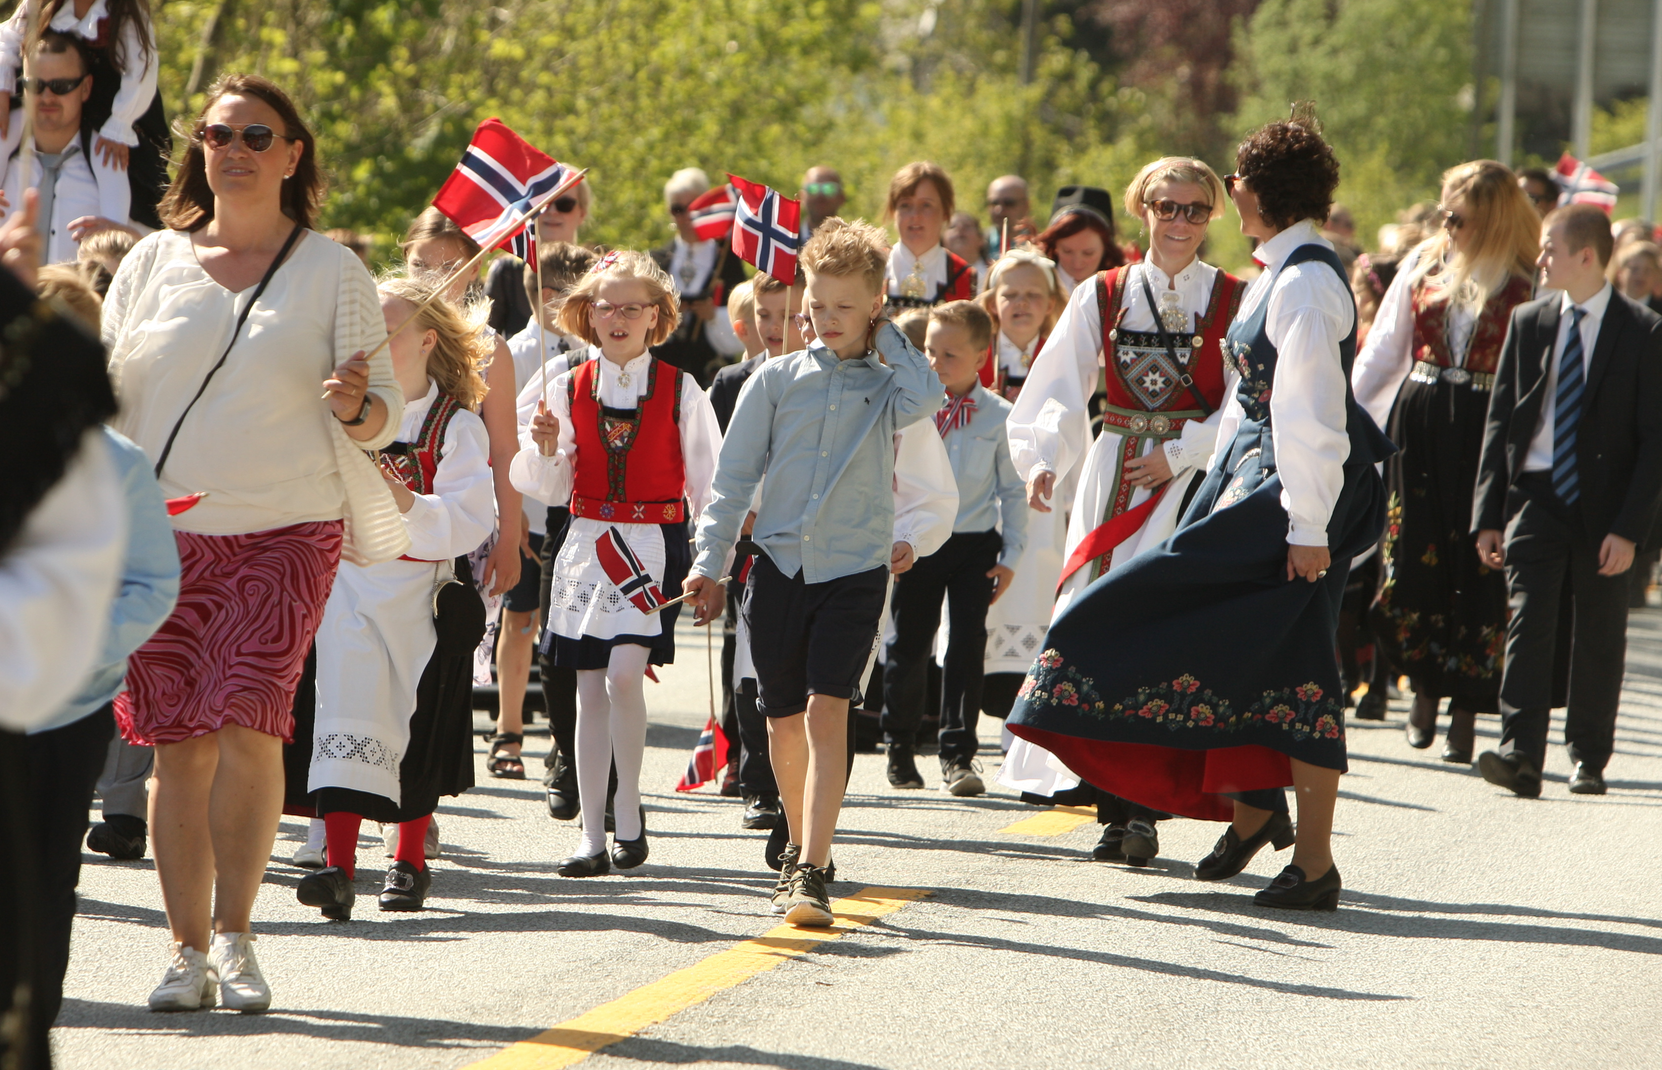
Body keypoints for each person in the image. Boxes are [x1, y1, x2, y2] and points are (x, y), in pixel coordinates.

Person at [1006, 116, 1394, 910]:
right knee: (1256, 656)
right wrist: (1048, 457)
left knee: (1262, 656)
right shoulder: (1273, 275)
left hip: (1283, 495)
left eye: (1219, 194)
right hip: (1247, 485)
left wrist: (1306, 527)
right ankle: (1255, 813)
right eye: (1169, 206)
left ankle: (1307, 857)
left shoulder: (1299, 284)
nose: (1202, 211)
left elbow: (1310, 419)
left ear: (1256, 194)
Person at [104, 74, 404, 1011]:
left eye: (256, 135)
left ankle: (237, 939)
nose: (233, 149)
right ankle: (186, 951)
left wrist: (354, 408)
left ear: (292, 154)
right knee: (179, 745)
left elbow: (384, 416)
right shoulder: (150, 261)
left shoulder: (333, 271)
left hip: (286, 530)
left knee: (247, 722)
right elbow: (102, 394)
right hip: (160, 534)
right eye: (216, 133)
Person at [684, 217, 941, 926]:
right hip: (776, 567)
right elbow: (731, 484)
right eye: (817, 304)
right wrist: (709, 564)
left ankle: (813, 867)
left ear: (876, 305)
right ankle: (798, 844)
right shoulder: (773, 380)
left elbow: (928, 397)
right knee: (782, 719)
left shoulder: (891, 386)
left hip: (856, 569)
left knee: (831, 709)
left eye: (845, 307)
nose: (826, 319)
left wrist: (887, 336)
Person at [1003, 157, 1246, 866]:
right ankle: (1114, 807)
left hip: (1190, 481)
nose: (1180, 221)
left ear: (1212, 215)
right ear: (1144, 210)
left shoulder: (1234, 298)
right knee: (1099, 622)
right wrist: (1043, 457)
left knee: (1166, 635)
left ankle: (1145, 808)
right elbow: (1057, 383)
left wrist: (1184, 451)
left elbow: (1246, 400)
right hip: (1112, 473)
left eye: (1194, 209)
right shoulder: (1102, 293)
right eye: (1167, 207)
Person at [290, 275, 495, 920]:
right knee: (343, 713)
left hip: (421, 593)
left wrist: (404, 499)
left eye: (384, 330)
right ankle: (338, 868)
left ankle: (408, 861)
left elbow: (472, 519)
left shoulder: (456, 425)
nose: (367, 344)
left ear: (427, 340)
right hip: (348, 587)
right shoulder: (334, 414)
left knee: (418, 720)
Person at [512, 250, 721, 876]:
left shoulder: (683, 388)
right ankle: (593, 834)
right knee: (587, 687)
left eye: (633, 308)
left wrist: (713, 560)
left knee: (624, 676)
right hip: (585, 542)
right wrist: (546, 449)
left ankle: (628, 807)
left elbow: (710, 481)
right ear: (588, 313)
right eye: (606, 307)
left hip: (653, 545)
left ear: (656, 315)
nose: (619, 318)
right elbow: (549, 486)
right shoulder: (565, 383)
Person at [1352, 160, 1542, 762]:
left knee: (1481, 563)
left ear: (1493, 219)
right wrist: (1346, 424)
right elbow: (1384, 352)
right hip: (1424, 416)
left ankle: (1466, 707)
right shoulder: (1422, 264)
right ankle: (1424, 687)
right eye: (1445, 213)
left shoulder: (1529, 278)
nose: (1448, 226)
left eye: (1459, 217)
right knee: (1413, 554)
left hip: (1492, 423)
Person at [1473, 204, 1662, 798]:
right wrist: (1487, 515)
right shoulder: (1529, 321)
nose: (1541, 258)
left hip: (1607, 510)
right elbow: (1501, 420)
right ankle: (1520, 753)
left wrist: (1630, 529)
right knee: (1528, 622)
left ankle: (1588, 755)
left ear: (1585, 255)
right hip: (1536, 496)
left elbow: (1655, 441)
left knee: (1600, 633)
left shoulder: (1643, 330)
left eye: (1550, 247)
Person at [22, 425, 176, 1058]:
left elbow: (151, 583)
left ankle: (29, 1026)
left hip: (66, 706)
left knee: (45, 873)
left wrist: (71, 649)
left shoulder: (114, 460)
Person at [882, 300, 1026, 795]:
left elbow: (1013, 491)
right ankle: (900, 746)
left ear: (981, 357)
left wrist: (1011, 556)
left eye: (950, 355)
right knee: (909, 643)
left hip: (974, 545)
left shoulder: (1000, 416)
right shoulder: (907, 407)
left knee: (966, 645)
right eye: (929, 351)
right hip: (918, 541)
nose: (935, 363)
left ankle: (958, 754)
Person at [707, 270, 801, 830]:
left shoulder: (830, 378)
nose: (773, 326)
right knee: (748, 659)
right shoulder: (730, 383)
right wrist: (735, 515)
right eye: (764, 315)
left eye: (787, 315)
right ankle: (755, 779)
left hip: (809, 541)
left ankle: (799, 784)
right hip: (748, 544)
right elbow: (715, 463)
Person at [400, 207, 526, 605]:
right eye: (420, 266)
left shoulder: (489, 351)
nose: (432, 281)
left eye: (448, 268)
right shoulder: (379, 335)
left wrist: (509, 537)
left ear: (475, 269)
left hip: (463, 529)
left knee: (459, 637)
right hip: (387, 525)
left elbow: (504, 449)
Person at [972, 251, 1066, 729]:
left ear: (1051, 303)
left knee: (1036, 579)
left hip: (1041, 495)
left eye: (1033, 294)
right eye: (1011, 294)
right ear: (992, 302)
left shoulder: (1061, 357)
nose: (1022, 303)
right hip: (982, 491)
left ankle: (1027, 700)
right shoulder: (974, 353)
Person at [0, 0, 169, 230]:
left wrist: (120, 123)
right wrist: (3, 86)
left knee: (109, 156)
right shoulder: (40, 3)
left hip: (108, 106)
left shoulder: (124, 14)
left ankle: (113, 231)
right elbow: (6, 40)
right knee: (5, 128)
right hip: (38, 93)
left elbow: (142, 71)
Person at [0, 31, 143, 265]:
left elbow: (154, 251)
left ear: (86, 87)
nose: (47, 97)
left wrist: (127, 237)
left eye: (61, 86)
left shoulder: (116, 167)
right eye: (35, 85)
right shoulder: (6, 156)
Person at [651, 167, 747, 380]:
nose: (687, 216)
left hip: (710, 369)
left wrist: (713, 315)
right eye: (678, 209)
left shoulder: (726, 259)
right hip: (662, 368)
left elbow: (744, 315)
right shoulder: (656, 261)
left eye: (695, 207)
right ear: (670, 211)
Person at [484, 177, 591, 338]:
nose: (552, 211)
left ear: (582, 213)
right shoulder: (506, 271)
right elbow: (484, 339)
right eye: (544, 204)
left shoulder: (597, 271)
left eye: (564, 205)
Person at [884, 161, 975, 312]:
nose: (915, 215)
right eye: (905, 205)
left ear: (945, 213)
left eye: (926, 205)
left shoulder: (965, 277)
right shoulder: (871, 268)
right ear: (894, 211)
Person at [1034, 185, 1127, 294]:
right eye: (1067, 251)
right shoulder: (1034, 281)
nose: (1077, 263)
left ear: (1105, 248)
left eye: (1088, 253)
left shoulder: (1122, 289)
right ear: (1054, 246)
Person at [984, 174, 1031, 258]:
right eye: (994, 203)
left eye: (1008, 203)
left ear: (1026, 206)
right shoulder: (976, 245)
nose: (999, 209)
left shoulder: (1040, 244)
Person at [1612, 239, 1662, 315]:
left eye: (1648, 270)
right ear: (1620, 272)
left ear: (1656, 275)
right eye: (1634, 269)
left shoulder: (1659, 313)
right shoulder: (1607, 305)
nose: (1640, 275)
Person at [944, 210, 988, 291]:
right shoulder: (933, 274)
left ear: (981, 239)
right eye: (952, 226)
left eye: (967, 226)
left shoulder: (993, 274)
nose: (960, 229)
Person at [800, 165, 846, 234]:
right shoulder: (787, 238)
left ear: (841, 198)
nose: (820, 195)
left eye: (829, 189)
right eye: (813, 189)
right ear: (801, 197)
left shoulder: (857, 240)